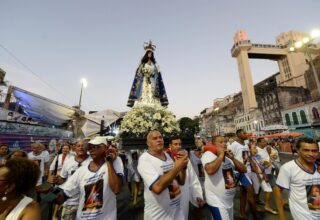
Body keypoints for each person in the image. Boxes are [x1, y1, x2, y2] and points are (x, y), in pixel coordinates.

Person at [57, 136, 123, 220]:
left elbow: (116, 189)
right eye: (90, 147)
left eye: (96, 147)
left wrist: (109, 162)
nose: (91, 150)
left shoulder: (115, 161)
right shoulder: (81, 170)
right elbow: (65, 192)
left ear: (106, 148)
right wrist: (51, 195)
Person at [137, 130, 189, 220]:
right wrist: (177, 167)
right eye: (155, 138)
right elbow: (157, 188)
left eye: (160, 137)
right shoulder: (145, 159)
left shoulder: (168, 156)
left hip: (176, 212)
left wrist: (183, 167)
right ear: (148, 143)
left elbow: (181, 181)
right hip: (158, 215)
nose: (159, 140)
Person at [202, 135, 247, 220]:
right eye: (221, 142)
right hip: (217, 202)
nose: (225, 144)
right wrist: (221, 155)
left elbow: (244, 169)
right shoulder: (208, 155)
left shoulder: (228, 158)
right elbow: (210, 170)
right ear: (213, 144)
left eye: (225, 142)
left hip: (229, 201)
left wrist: (232, 158)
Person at [275, 137, 320, 220]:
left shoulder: (318, 166)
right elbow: (278, 190)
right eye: (306, 150)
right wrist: (281, 217)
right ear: (298, 151)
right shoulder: (288, 168)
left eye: (314, 151)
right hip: (303, 216)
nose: (311, 154)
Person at [48, 139, 91, 220]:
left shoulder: (93, 161)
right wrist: (57, 180)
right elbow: (62, 179)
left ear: (87, 148)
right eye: (78, 146)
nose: (81, 147)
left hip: (87, 202)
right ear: (74, 148)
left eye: (83, 146)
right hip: (70, 202)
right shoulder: (68, 161)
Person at [168, 136, 204, 220]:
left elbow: (192, 179)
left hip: (184, 197)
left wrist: (197, 195)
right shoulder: (166, 160)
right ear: (170, 145)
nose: (178, 146)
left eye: (180, 144)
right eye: (175, 144)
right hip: (170, 199)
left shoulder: (185, 159)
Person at [127, 40, 168, 107]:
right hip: (145, 80)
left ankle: (153, 104)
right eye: (149, 53)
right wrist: (145, 73)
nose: (150, 54)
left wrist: (154, 73)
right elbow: (138, 72)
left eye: (151, 53)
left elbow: (157, 73)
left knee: (152, 93)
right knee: (145, 92)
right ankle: (144, 104)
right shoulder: (143, 64)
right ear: (146, 54)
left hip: (152, 81)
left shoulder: (154, 64)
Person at [229, 129, 258, 219]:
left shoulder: (245, 144)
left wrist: (254, 167)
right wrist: (236, 167)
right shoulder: (234, 145)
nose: (246, 134)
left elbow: (247, 157)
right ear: (238, 135)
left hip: (248, 170)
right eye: (244, 133)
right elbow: (230, 157)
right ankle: (255, 215)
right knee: (251, 193)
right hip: (241, 172)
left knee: (243, 193)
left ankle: (242, 212)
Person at [255, 138, 278, 214]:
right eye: (263, 141)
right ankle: (267, 206)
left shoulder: (264, 148)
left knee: (261, 188)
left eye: (265, 141)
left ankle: (257, 199)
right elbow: (262, 165)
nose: (266, 142)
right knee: (268, 190)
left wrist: (271, 156)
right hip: (263, 173)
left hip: (269, 172)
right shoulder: (256, 151)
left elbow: (267, 158)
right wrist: (270, 160)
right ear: (259, 143)